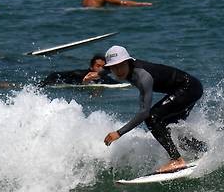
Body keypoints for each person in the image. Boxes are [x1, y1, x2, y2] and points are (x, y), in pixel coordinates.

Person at [102, 45, 206, 173]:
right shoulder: (124, 69)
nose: (118, 70)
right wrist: (97, 74)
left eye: (121, 65)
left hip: (189, 88)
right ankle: (201, 149)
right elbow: (109, 68)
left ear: (128, 62)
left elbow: (144, 112)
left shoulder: (143, 76)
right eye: (113, 67)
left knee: (152, 118)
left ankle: (177, 160)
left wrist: (119, 133)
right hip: (187, 88)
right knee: (171, 127)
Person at [40, 55, 120, 86]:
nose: (101, 69)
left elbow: (118, 84)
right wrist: (43, 83)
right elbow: (55, 74)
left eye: (103, 67)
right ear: (91, 67)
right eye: (98, 66)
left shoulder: (105, 78)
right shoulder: (79, 74)